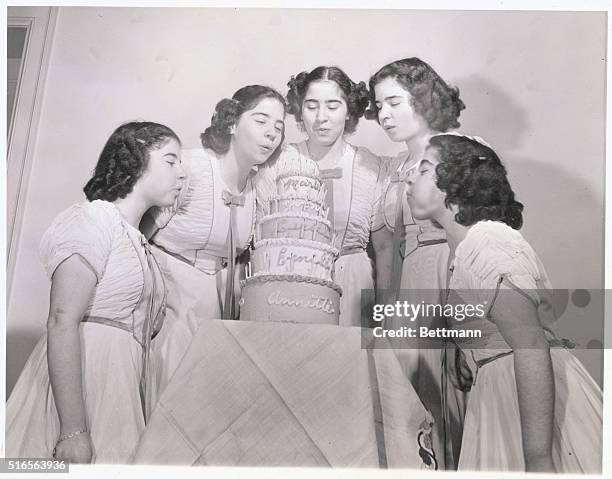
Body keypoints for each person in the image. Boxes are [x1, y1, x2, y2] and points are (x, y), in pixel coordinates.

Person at [408, 133, 602, 473]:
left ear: (454, 183)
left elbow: (529, 344)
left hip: (528, 404)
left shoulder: (487, 240)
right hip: (500, 398)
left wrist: (539, 459)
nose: (410, 175)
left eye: (424, 169)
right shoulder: (464, 249)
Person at [5, 121, 186, 463]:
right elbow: (61, 319)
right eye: (171, 161)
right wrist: (73, 430)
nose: (181, 175)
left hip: (120, 387)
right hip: (84, 387)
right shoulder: (91, 218)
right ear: (137, 160)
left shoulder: (136, 240)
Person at [140, 85, 286, 392]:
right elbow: (136, 236)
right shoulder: (189, 167)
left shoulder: (260, 187)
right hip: (165, 297)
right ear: (232, 123)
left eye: (278, 126)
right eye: (261, 121)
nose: (271, 133)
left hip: (214, 303)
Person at [366, 57, 466, 468]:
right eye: (378, 106)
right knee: (418, 411)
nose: (383, 115)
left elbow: (481, 239)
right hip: (410, 294)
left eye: (394, 102)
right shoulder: (393, 170)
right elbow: (388, 250)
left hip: (452, 276)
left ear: (423, 98)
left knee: (456, 403)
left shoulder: (462, 150)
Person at [261, 65, 383, 327]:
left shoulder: (369, 165)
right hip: (293, 282)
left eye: (332, 105)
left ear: (349, 109)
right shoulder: (279, 161)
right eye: (311, 105)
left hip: (354, 283)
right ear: (299, 109)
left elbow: (383, 247)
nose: (321, 118)